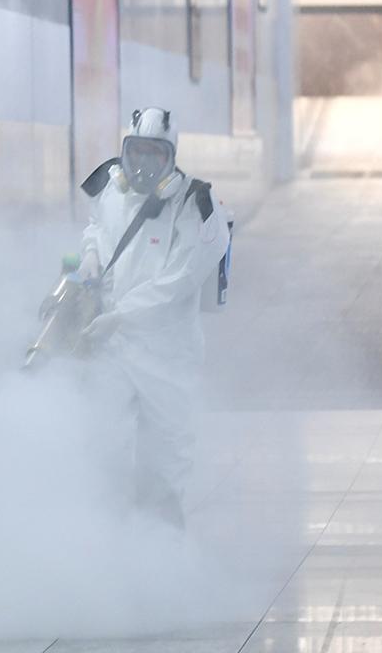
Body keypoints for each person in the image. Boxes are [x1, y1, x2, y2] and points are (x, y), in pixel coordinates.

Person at [77, 106, 230, 529]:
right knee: (103, 450)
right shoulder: (113, 189)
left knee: (164, 464)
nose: (142, 164)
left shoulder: (196, 207)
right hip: (113, 347)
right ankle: (109, 553)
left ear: (171, 156)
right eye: (136, 152)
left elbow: (179, 282)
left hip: (167, 356)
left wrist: (120, 316)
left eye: (154, 154)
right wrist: (91, 256)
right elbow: (97, 227)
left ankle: (163, 563)